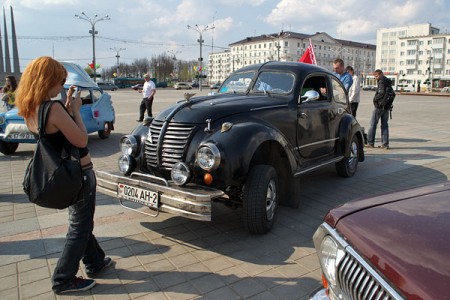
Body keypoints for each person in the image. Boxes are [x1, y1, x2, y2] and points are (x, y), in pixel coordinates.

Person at [15, 56, 111, 294]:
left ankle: (95, 261)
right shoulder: (53, 108)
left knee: (82, 221)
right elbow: (79, 139)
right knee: (79, 226)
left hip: (62, 174)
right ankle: (63, 279)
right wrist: (75, 111)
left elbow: (55, 135)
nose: (61, 87)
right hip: (79, 173)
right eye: (59, 82)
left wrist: (67, 108)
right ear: (47, 80)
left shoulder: (30, 109)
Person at [366, 69, 393, 150]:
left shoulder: (381, 81)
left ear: (381, 74)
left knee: (373, 124)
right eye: (375, 76)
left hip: (380, 106)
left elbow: (381, 93)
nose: (375, 78)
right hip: (387, 106)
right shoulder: (388, 81)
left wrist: (375, 99)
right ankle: (385, 144)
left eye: (376, 76)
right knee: (384, 125)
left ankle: (370, 142)